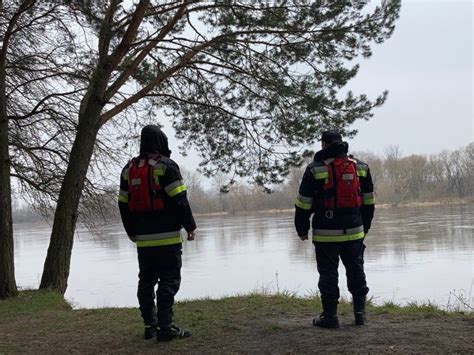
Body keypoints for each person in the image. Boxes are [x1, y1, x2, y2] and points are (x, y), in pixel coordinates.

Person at [118, 125, 196, 341]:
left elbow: (123, 203)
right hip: (168, 236)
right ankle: (165, 328)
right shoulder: (166, 166)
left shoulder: (128, 169)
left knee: (146, 281)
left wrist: (130, 231)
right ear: (161, 141)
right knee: (169, 281)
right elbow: (180, 200)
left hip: (143, 239)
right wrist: (190, 226)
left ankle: (148, 325)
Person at [294, 130, 375, 328]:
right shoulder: (361, 168)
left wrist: (302, 229)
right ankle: (360, 315)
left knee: (329, 274)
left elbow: (304, 204)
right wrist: (364, 227)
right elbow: (369, 202)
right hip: (355, 231)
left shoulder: (314, 169)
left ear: (323, 145)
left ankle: (330, 317)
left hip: (325, 234)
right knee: (356, 270)